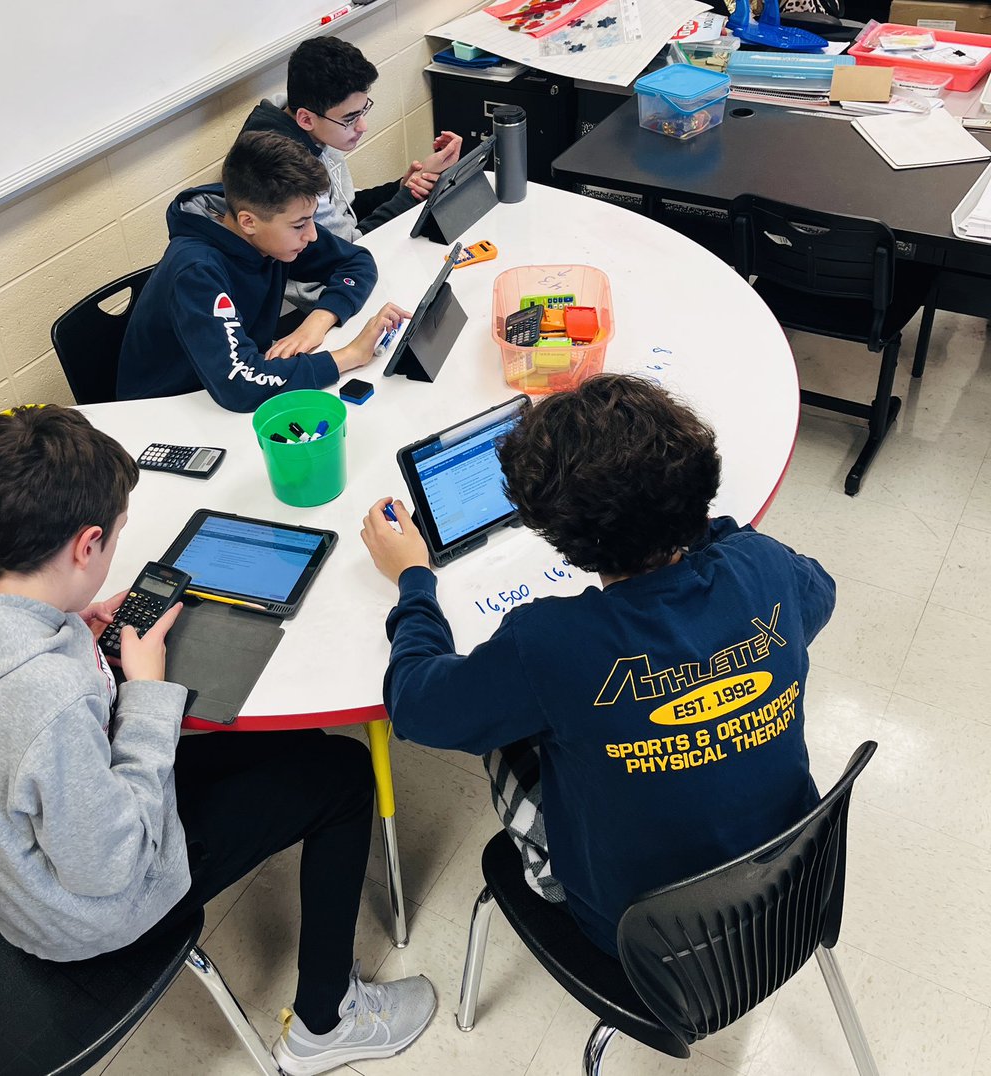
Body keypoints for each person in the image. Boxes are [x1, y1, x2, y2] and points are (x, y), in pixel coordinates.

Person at [0, 405, 435, 1075]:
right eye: (111, 542)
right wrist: (143, 690)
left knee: (295, 743)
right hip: (86, 910)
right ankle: (327, 1020)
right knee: (343, 773)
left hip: (37, 840)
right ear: (86, 546)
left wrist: (64, 618)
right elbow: (113, 863)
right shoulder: (45, 701)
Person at [359, 374, 835, 955]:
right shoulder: (763, 565)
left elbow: (413, 706)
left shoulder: (551, 643)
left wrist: (413, 580)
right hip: (796, 891)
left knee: (503, 731)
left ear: (560, 539)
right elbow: (819, 596)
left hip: (643, 941)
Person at [116, 131, 407, 408]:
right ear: (248, 222)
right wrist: (348, 356)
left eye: (310, 219)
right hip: (169, 411)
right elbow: (241, 385)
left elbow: (356, 262)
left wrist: (317, 321)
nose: (312, 235)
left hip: (224, 384)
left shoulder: (269, 225)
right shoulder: (196, 271)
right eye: (300, 224)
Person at [240, 36, 461, 314]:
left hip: (344, 261)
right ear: (306, 118)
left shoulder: (314, 126)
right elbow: (349, 248)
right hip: (321, 291)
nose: (363, 126)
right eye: (350, 119)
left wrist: (400, 187)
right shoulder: (286, 168)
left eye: (363, 110)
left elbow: (345, 208)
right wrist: (406, 197)